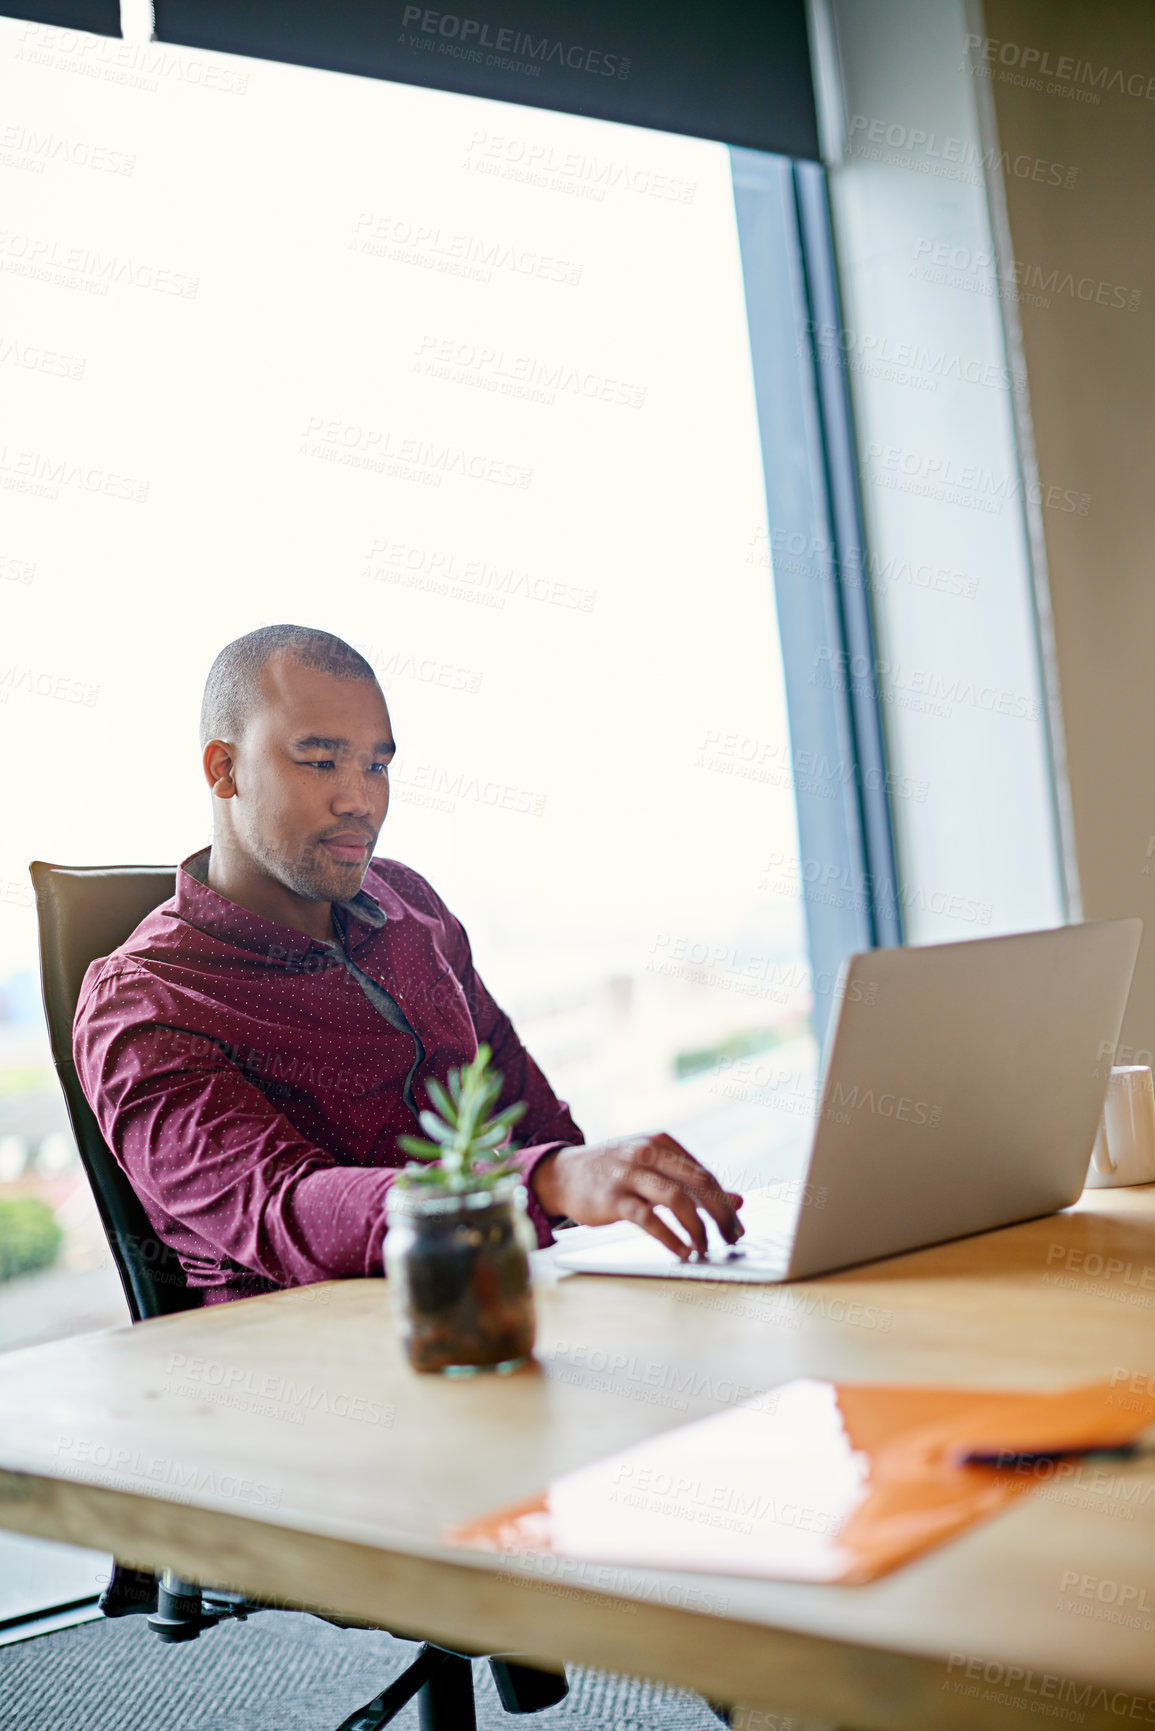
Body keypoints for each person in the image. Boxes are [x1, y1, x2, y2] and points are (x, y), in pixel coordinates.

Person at [73, 624, 744, 1303]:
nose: (359, 800)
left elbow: (536, 1124)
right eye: (319, 762)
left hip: (503, 1308)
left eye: (376, 765)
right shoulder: (142, 1003)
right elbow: (283, 1209)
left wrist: (624, 1192)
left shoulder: (410, 905)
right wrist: (540, 1181)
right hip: (309, 1367)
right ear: (224, 769)